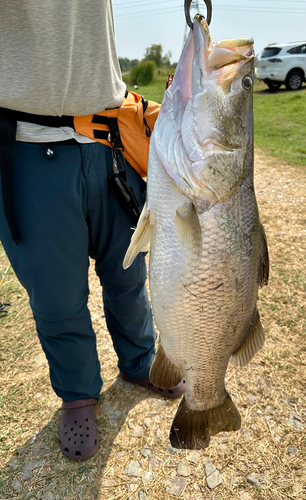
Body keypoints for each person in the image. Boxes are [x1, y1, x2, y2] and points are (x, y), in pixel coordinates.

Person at [0, 1, 185, 461]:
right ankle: (78, 390)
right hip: (26, 144)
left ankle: (140, 361)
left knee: (127, 273)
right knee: (56, 295)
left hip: (110, 139)